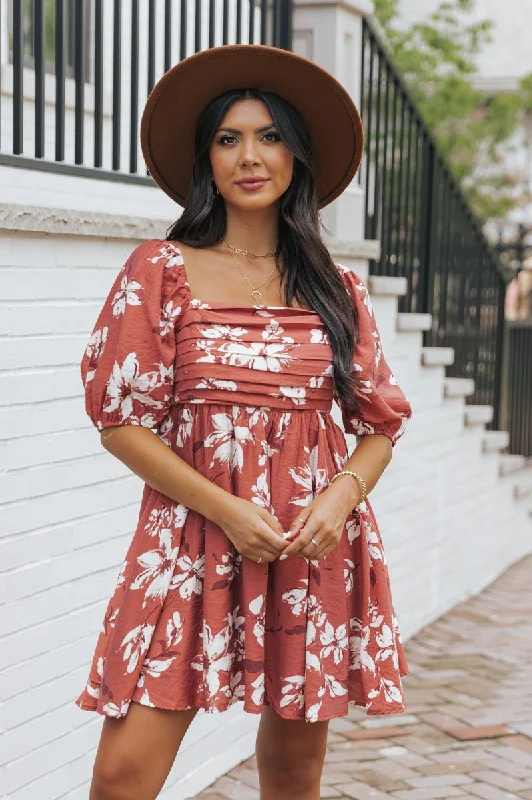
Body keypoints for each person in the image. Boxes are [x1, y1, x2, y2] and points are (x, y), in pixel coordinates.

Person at [76, 44, 412, 800]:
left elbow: (381, 421)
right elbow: (120, 420)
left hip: (311, 540)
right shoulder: (158, 269)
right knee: (122, 774)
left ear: (297, 155)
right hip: (189, 541)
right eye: (228, 139)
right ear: (206, 160)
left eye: (269, 136)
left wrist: (339, 499)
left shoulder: (336, 286)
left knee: (293, 773)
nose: (249, 157)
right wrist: (226, 510)